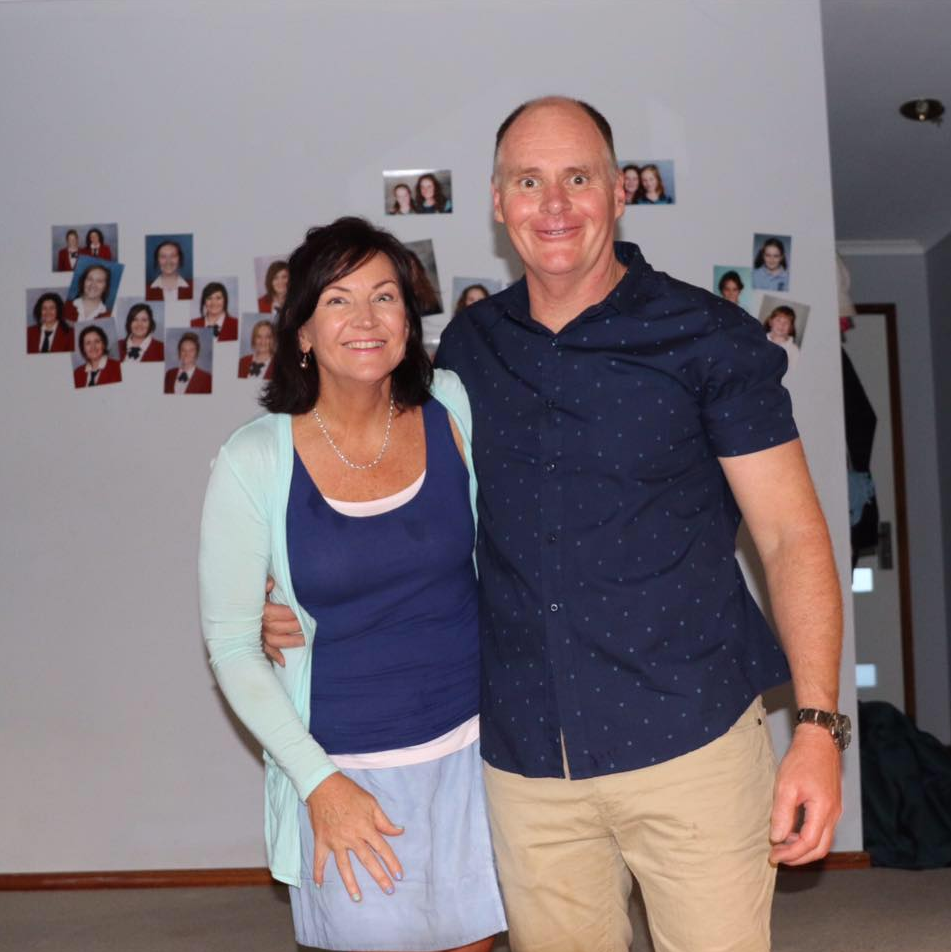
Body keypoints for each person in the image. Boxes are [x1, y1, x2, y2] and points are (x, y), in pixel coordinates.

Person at [262, 97, 846, 952]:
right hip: (526, 764)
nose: (555, 204)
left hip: (691, 744)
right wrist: (302, 604)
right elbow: (391, 496)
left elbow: (792, 536)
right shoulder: (464, 352)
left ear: (617, 192)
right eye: (528, 182)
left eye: (578, 178)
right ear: (498, 204)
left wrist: (820, 730)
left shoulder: (710, 339)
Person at [199, 216, 505, 952]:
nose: (365, 319)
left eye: (384, 297)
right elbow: (234, 647)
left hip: (477, 754)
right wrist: (319, 785)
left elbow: (513, 554)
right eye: (338, 300)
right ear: (301, 331)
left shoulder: (456, 407)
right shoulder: (253, 460)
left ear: (409, 320)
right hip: (345, 771)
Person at [73, 324, 122, 388]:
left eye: (97, 341)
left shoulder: (118, 368)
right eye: (88, 343)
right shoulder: (77, 373)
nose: (93, 346)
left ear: (104, 344)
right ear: (83, 348)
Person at [763, 304, 801, 373]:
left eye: (786, 322)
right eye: (778, 320)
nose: (782, 325)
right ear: (770, 322)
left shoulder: (794, 351)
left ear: (791, 328)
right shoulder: (760, 340)